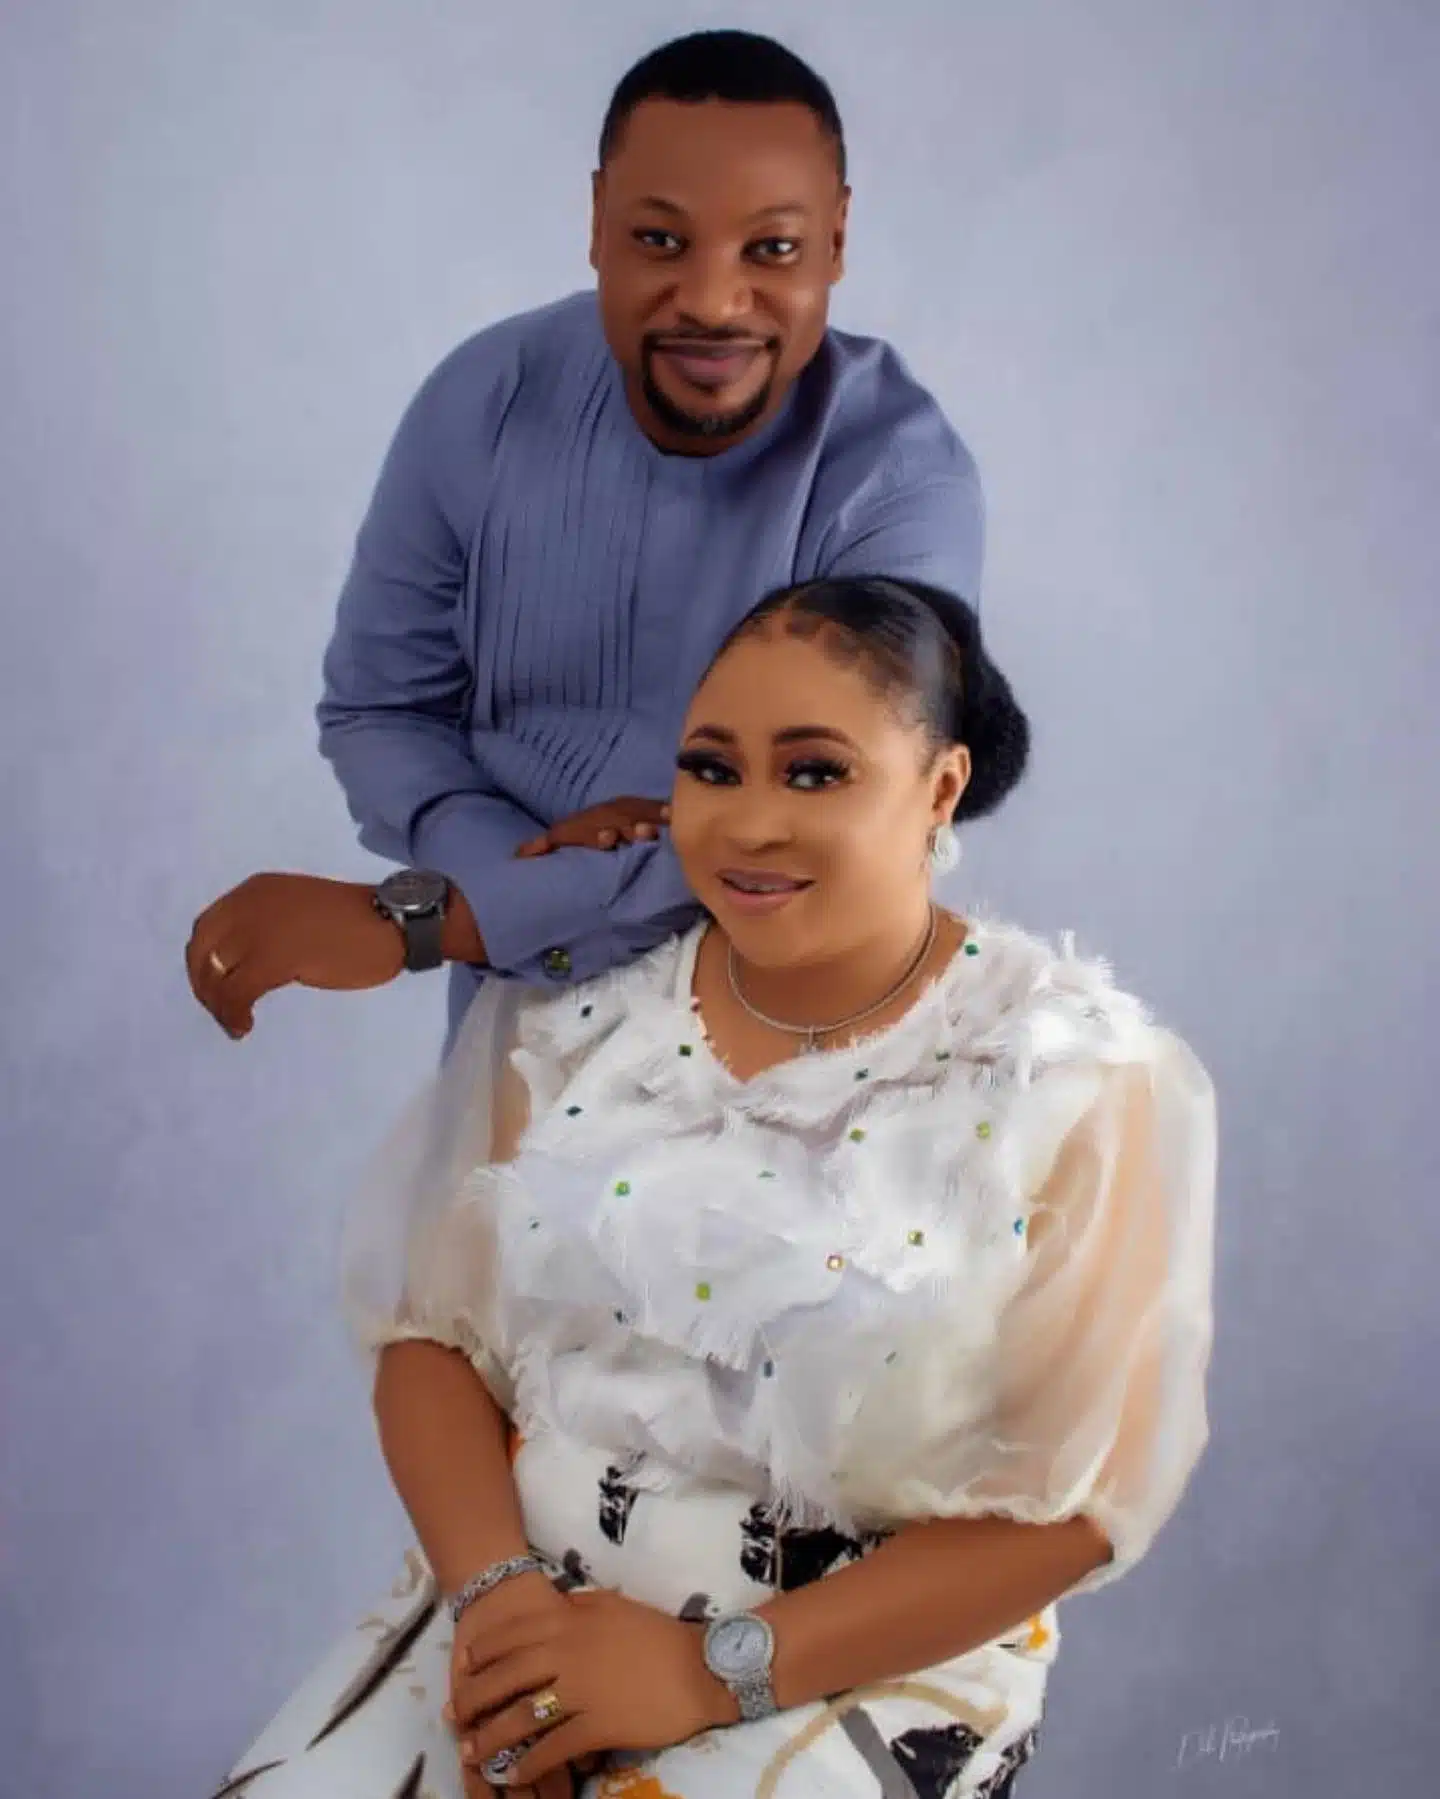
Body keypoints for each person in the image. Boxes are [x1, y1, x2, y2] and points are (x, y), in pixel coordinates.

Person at [213, 577, 1217, 1799]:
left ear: (940, 786)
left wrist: (705, 1670)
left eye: (814, 772)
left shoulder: (1079, 1078)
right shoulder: (577, 1011)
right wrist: (503, 1606)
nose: (748, 823)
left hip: (857, 1664)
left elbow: (1071, 1508)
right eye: (710, 767)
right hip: (512, 1611)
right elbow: (433, 1338)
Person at [185, 30, 986, 1052]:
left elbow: (838, 816)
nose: (712, 302)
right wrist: (516, 864)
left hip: (808, 1062)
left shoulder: (898, 478)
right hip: (514, 1045)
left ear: (835, 241)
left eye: (772, 250)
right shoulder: (485, 399)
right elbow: (383, 708)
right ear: (598, 223)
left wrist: (437, 919)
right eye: (660, 240)